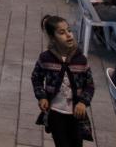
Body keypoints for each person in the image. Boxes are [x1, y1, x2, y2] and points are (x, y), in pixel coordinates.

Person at [30, 15, 93, 147]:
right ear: (53, 38)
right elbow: (36, 77)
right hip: (55, 113)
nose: (68, 35)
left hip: (76, 114)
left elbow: (89, 84)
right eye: (62, 32)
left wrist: (83, 102)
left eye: (69, 30)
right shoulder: (46, 58)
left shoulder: (81, 59)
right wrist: (41, 97)